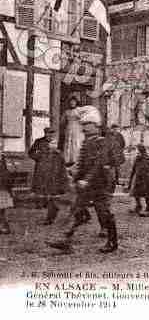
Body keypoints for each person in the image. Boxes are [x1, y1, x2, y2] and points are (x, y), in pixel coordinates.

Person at [47, 107, 119, 253]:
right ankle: (65, 241)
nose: (84, 128)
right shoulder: (87, 142)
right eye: (83, 124)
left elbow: (98, 163)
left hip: (101, 183)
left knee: (104, 212)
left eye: (87, 124)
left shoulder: (103, 141)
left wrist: (86, 179)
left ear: (96, 126)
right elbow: (82, 162)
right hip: (86, 184)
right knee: (76, 209)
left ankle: (112, 242)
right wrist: (73, 173)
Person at [31, 138, 69, 225]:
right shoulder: (42, 154)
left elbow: (63, 170)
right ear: (48, 145)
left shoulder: (59, 155)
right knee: (48, 199)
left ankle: (50, 219)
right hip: (46, 180)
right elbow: (40, 167)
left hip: (56, 181)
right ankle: (51, 216)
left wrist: (63, 183)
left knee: (53, 200)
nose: (53, 145)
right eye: (52, 143)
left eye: (55, 143)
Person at [128, 145, 149, 217]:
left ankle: (148, 208)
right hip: (138, 179)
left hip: (146, 180)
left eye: (136, 150)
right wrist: (131, 179)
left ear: (140, 150)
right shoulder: (137, 158)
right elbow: (134, 169)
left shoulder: (147, 159)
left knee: (146, 194)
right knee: (135, 193)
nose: (135, 151)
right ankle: (138, 206)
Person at [29, 127, 56, 208]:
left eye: (51, 133)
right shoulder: (39, 141)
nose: (50, 134)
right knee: (39, 185)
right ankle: (39, 204)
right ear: (45, 133)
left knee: (49, 185)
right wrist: (38, 158)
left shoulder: (55, 142)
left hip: (51, 166)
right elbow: (31, 152)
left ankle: (47, 203)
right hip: (41, 166)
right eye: (48, 133)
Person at [62, 96, 85, 164]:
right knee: (69, 143)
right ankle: (68, 159)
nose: (72, 103)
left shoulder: (79, 110)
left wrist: (79, 118)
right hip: (69, 128)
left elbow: (84, 118)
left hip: (77, 128)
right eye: (71, 102)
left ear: (76, 102)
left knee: (76, 143)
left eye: (73, 102)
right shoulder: (67, 111)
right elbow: (62, 121)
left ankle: (76, 159)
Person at [0, 152, 13, 234]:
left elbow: (6, 176)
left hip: (2, 188)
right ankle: (3, 227)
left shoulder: (3, 163)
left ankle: (3, 227)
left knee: (1, 210)